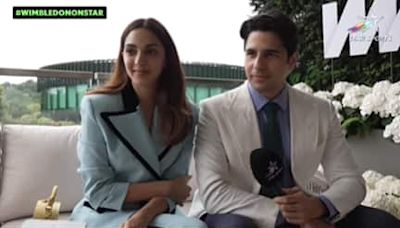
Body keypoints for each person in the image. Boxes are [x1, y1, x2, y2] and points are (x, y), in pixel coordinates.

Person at [188, 10, 400, 228]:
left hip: (304, 203)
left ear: (292, 61)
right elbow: (213, 192)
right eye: (251, 54)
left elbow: (351, 180)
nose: (257, 65)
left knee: (383, 223)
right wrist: (291, 216)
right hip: (234, 209)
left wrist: (320, 207)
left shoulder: (320, 110)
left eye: (270, 55)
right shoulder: (213, 111)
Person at [70, 18, 207, 228]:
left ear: (166, 59)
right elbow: (97, 190)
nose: (139, 60)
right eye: (131, 51)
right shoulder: (96, 107)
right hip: (105, 212)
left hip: (158, 211)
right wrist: (167, 187)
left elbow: (176, 192)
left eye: (151, 52)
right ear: (122, 55)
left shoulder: (187, 114)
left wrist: (143, 216)